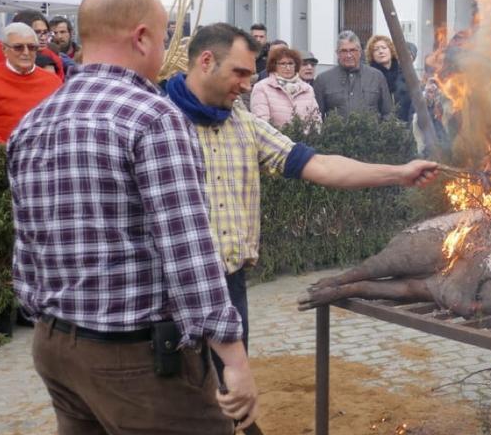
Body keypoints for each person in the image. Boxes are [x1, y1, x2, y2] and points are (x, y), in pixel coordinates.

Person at [7, 0, 256, 435]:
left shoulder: (33, 122)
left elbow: (26, 247)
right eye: (166, 39)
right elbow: (188, 250)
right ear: (142, 38)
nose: (167, 53)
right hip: (136, 355)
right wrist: (231, 356)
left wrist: (47, 321)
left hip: (55, 345)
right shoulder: (153, 118)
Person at [166, 23, 437, 354]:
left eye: (250, 74)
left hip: (231, 287)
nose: (247, 84)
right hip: (172, 293)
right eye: (239, 73)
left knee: (229, 395)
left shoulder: (243, 123)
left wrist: (400, 173)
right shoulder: (159, 120)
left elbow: (320, 166)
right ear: (206, 61)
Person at [0, 23, 62, 147]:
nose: (26, 52)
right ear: (4, 49)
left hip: (41, 156)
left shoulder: (53, 81)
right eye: (18, 47)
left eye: (32, 47)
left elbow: (59, 120)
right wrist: (2, 150)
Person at [313, 30, 393, 119]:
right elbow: (317, 118)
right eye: (344, 51)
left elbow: (388, 113)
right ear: (337, 53)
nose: (349, 55)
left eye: (352, 50)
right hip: (336, 133)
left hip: (371, 133)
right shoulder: (323, 80)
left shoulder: (376, 77)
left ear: (360, 52)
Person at [0, 10, 67, 81]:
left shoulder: (52, 58)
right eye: (37, 32)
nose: (43, 37)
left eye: (45, 32)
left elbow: (58, 87)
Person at [250, 45, 321, 129]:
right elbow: (261, 122)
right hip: (274, 140)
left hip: (305, 140)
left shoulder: (307, 89)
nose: (288, 67)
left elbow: (316, 120)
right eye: (283, 63)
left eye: (291, 63)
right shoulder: (262, 87)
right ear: (274, 65)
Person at [367, 34, 413, 122]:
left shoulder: (404, 73)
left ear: (391, 50)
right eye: (376, 49)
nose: (381, 51)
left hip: (405, 126)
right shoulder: (369, 76)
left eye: (384, 48)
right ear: (371, 55)